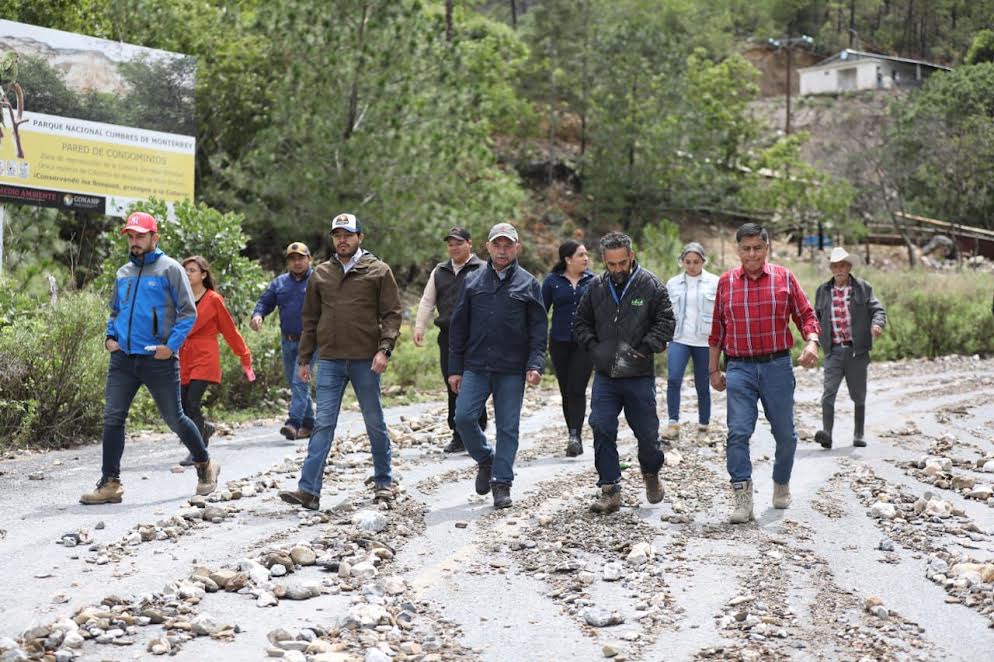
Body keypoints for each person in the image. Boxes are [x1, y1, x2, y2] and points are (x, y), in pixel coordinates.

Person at [80, 211, 220, 505]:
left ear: (154, 238)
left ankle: (205, 464)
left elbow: (187, 312)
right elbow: (116, 312)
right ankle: (110, 483)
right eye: (131, 236)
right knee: (113, 418)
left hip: (159, 358)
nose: (134, 241)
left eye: (140, 236)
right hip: (123, 360)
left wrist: (171, 346)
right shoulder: (123, 273)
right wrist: (110, 337)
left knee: (175, 418)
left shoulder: (170, 269)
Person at [279, 213, 402, 510]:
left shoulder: (379, 270)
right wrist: (305, 358)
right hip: (331, 360)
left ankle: (384, 482)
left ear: (360, 236)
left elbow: (392, 315)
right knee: (323, 424)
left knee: (374, 422)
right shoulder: (321, 273)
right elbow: (310, 319)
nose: (343, 240)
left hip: (365, 360)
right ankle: (309, 491)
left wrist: (384, 350)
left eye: (348, 234)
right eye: (337, 235)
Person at [708, 223, 820, 524]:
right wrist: (713, 369)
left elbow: (806, 315)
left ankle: (781, 482)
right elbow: (717, 329)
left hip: (777, 366)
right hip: (740, 367)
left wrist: (811, 342)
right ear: (738, 250)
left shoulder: (784, 278)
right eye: (746, 248)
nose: (752, 254)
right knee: (738, 432)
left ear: (766, 248)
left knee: (786, 434)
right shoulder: (726, 282)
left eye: (758, 247)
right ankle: (742, 496)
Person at [574, 231, 674, 514]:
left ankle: (651, 472)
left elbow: (666, 321)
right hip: (606, 375)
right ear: (604, 261)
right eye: (611, 264)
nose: (617, 269)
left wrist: (644, 348)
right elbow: (580, 322)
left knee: (648, 435)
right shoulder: (595, 287)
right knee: (601, 425)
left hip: (639, 374)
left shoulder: (650, 285)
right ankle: (610, 489)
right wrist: (594, 347)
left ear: (631, 256)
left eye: (622, 263)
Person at [448, 222, 546, 509]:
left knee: (508, 427)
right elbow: (458, 327)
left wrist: (535, 364)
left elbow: (538, 331)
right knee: (463, 418)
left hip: (512, 368)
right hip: (476, 364)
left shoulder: (529, 283)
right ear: (488, 247)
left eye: (508, 245)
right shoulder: (472, 281)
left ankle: (502, 483)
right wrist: (455, 368)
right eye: (497, 245)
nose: (502, 251)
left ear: (517, 248)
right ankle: (486, 459)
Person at [413, 227, 488, 453]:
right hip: (447, 336)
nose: (454, 248)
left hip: (476, 337)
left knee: (476, 383)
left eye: (459, 243)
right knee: (452, 382)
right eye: (450, 244)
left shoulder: (483, 269)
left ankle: (477, 429)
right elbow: (427, 301)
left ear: (470, 244)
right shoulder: (440, 271)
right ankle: (457, 434)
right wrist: (419, 327)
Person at [177, 256, 255, 466]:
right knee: (183, 407)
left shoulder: (213, 299)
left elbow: (229, 330)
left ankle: (197, 450)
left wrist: (244, 355)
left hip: (205, 355)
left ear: (203, 274)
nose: (187, 274)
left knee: (192, 402)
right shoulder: (179, 297)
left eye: (192, 270)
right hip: (183, 356)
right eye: (185, 270)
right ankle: (205, 429)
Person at [814, 247, 886, 449]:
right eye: (835, 266)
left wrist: (877, 324)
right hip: (833, 350)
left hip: (857, 351)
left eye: (843, 265)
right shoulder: (823, 291)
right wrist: (812, 340)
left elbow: (877, 310)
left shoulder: (863, 288)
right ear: (831, 268)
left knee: (858, 394)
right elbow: (815, 318)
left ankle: (859, 433)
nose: (839, 269)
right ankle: (827, 433)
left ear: (849, 267)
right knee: (828, 393)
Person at [251, 242, 315, 440]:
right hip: (287, 341)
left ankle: (293, 423)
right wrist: (258, 315)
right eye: (292, 259)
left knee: (299, 381)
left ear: (309, 259)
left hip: (311, 341)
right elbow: (265, 302)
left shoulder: (318, 281)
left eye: (301, 258)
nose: (297, 262)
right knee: (296, 383)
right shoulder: (280, 283)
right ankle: (310, 425)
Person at [542, 239, 595, 456]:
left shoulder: (594, 281)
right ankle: (571, 431)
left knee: (577, 388)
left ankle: (575, 435)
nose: (586, 258)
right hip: (559, 342)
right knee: (566, 390)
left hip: (585, 344)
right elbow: (540, 312)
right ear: (568, 259)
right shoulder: (552, 282)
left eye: (586, 254)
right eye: (581, 255)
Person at [664, 242, 719, 441]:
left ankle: (704, 425)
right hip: (679, 338)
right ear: (682, 262)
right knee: (673, 380)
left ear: (704, 261)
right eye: (688, 262)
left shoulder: (715, 282)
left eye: (696, 262)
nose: (692, 266)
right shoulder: (673, 283)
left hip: (704, 341)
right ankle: (673, 423)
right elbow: (665, 313)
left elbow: (721, 314)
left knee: (702, 384)